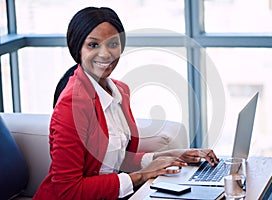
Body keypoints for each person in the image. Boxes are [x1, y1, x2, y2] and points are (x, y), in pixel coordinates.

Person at [33, 7, 219, 200]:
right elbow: (67, 190)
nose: (105, 54)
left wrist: (171, 156)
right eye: (93, 45)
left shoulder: (120, 91)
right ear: (77, 49)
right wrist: (141, 176)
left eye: (113, 43)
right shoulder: (72, 104)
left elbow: (117, 160)